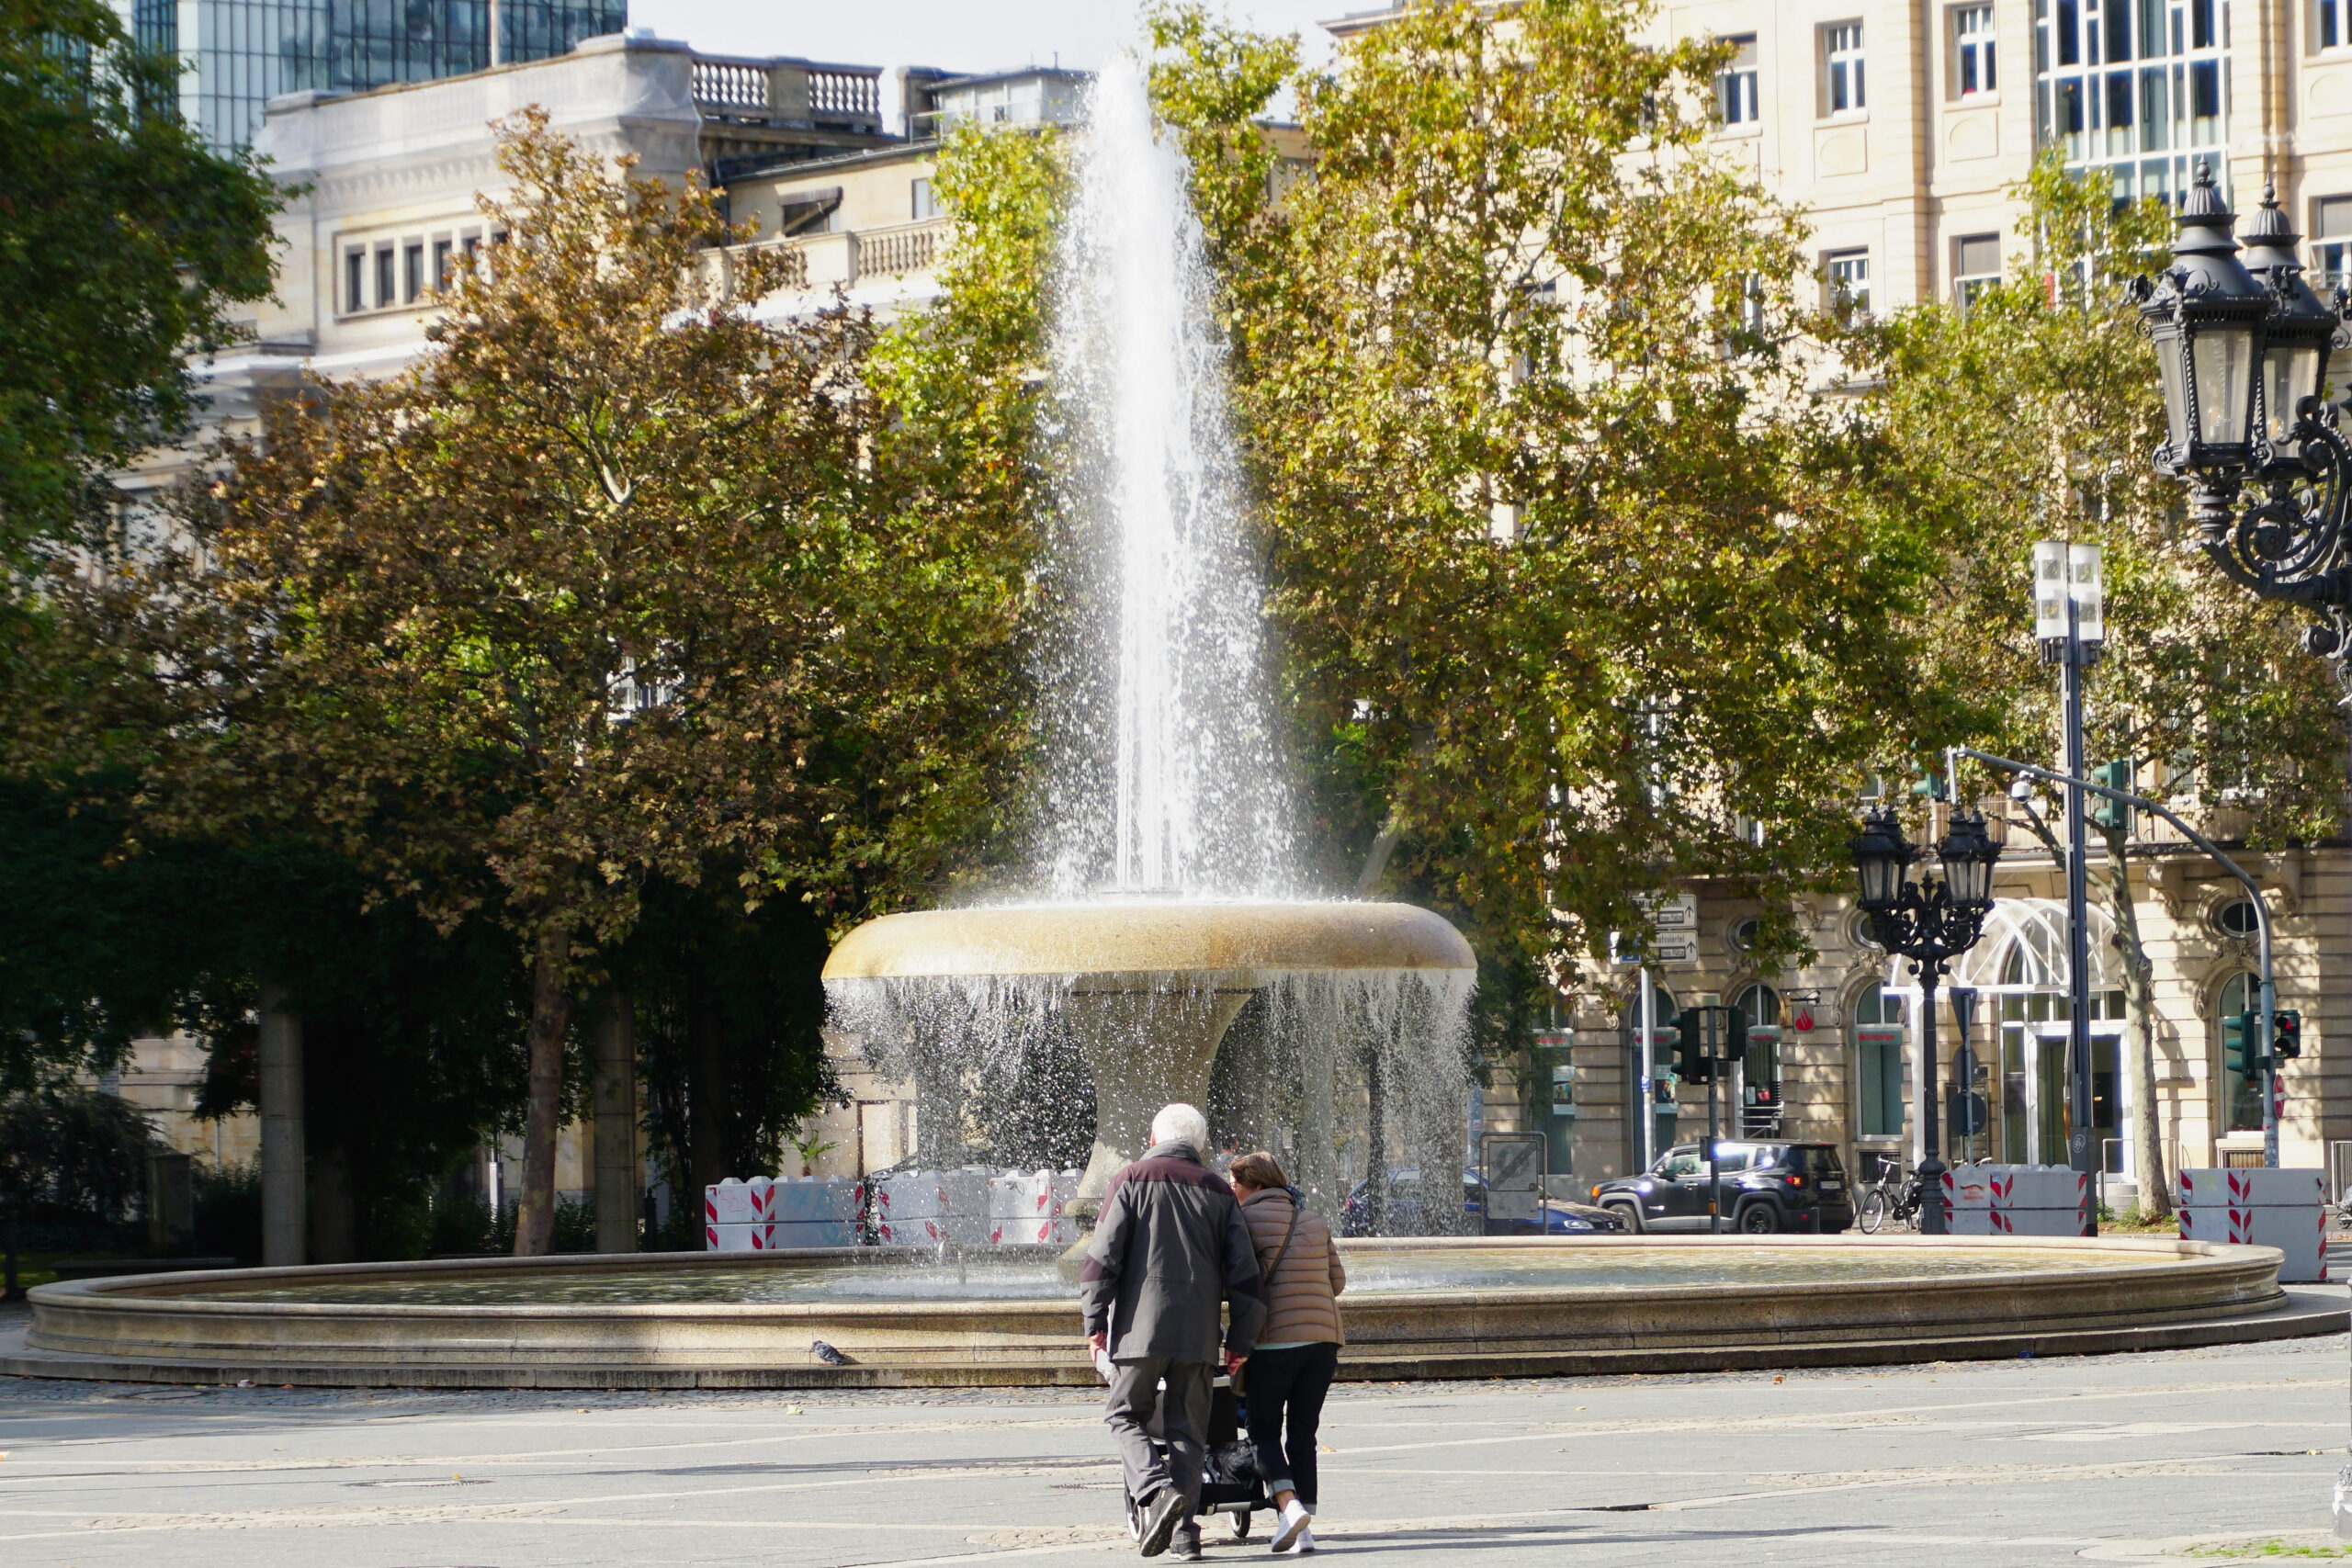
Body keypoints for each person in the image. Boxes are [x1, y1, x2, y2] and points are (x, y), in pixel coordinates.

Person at [1081, 1102, 1266, 1561]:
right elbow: (1246, 1277)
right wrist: (1240, 1341)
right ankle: (1185, 1536)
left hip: (1137, 1332)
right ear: (1199, 1144)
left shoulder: (1130, 1179)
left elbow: (1102, 1259)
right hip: (1197, 1337)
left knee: (1124, 1415)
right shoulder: (1219, 1191)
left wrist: (1095, 1322)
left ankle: (1154, 1488)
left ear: (1152, 1139)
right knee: (1189, 1434)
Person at [1227, 1151, 1344, 1556]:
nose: (1231, 1191)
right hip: (1323, 1342)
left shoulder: (1242, 1222)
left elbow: (1234, 1282)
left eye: (1235, 1185)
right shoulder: (1312, 1219)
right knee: (1302, 1434)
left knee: (1262, 1430)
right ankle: (1304, 1531)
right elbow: (1337, 1282)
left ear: (1256, 1185)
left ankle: (1288, 1506)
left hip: (1273, 1342)